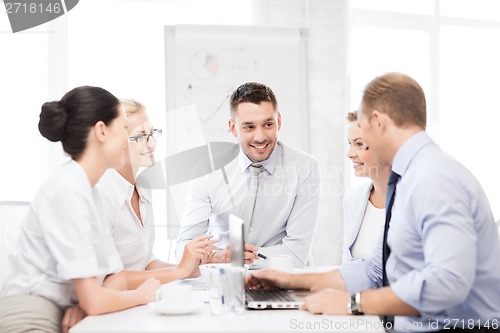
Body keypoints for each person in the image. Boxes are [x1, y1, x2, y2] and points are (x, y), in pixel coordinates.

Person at [246, 73, 500, 332]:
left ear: (378, 122)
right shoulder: (408, 178)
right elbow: (375, 271)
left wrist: (352, 303)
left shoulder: (433, 178)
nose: (354, 150)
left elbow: (447, 284)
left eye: (363, 130)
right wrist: (290, 280)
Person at [0, 86, 160, 333]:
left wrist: (92, 303)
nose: (127, 143)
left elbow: (115, 277)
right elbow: (96, 299)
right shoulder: (68, 190)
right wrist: (142, 294)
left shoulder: (89, 190)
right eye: (123, 129)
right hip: (32, 314)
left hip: (69, 311)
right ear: (102, 131)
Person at [176, 82, 320, 267]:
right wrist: (221, 257)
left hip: (286, 279)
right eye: (249, 127)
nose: (260, 137)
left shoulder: (305, 168)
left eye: (268, 124)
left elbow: (296, 254)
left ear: (279, 122)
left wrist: (237, 257)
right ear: (233, 128)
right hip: (227, 278)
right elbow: (184, 248)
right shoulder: (208, 170)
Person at [95, 99, 215, 287]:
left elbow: (144, 263)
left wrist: (189, 269)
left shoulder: (142, 187)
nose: (151, 143)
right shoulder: (101, 193)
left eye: (152, 133)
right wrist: (178, 271)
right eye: (140, 137)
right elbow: (108, 279)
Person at [342, 111, 390, 262]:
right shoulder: (353, 199)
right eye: (350, 144)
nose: (350, 154)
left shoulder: (410, 200)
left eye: (359, 144)